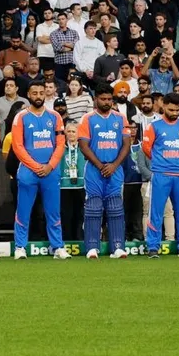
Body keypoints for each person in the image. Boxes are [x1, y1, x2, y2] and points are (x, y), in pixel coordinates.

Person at [10, 81, 71, 260]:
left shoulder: (55, 117)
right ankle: (20, 247)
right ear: (28, 95)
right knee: (23, 210)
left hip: (50, 171)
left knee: (53, 211)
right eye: (34, 93)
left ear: (46, 94)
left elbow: (60, 144)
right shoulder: (20, 117)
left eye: (41, 93)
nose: (38, 96)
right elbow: (17, 146)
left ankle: (58, 247)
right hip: (28, 171)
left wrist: (50, 165)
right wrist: (36, 167)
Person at [76, 85, 131, 259]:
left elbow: (126, 144)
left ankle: (118, 247)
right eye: (103, 99)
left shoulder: (121, 118)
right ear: (95, 99)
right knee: (93, 207)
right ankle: (92, 247)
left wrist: (114, 165)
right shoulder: (87, 119)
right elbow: (83, 146)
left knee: (115, 207)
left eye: (109, 99)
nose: (107, 102)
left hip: (115, 169)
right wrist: (101, 166)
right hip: (94, 169)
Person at [141, 93, 179, 258]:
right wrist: (160, 160)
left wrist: (176, 160)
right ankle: (153, 247)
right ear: (163, 106)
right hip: (161, 174)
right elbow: (146, 148)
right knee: (156, 212)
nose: (174, 113)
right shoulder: (154, 126)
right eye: (171, 109)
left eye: (177, 110)